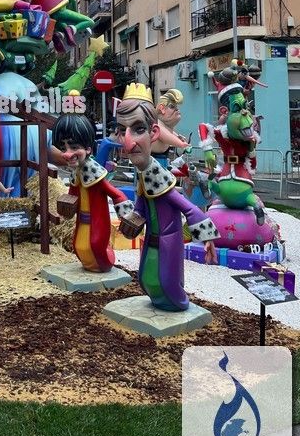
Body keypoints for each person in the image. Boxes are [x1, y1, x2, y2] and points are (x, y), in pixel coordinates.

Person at [115, 83, 219, 312]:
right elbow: (143, 201)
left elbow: (188, 208)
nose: (127, 141)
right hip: (152, 241)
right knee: (147, 277)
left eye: (138, 129)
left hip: (167, 241)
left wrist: (207, 238)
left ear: (153, 133)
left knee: (167, 282)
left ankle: (176, 304)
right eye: (122, 131)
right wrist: (133, 217)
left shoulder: (158, 175)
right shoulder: (145, 174)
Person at [52, 113, 134, 272]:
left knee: (95, 245)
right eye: (63, 148)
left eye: (74, 147)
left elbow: (116, 194)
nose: (67, 153)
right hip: (82, 221)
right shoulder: (76, 172)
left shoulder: (95, 173)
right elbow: (73, 192)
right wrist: (67, 206)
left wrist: (126, 216)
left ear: (88, 149)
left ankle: (103, 265)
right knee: (78, 245)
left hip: (97, 220)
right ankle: (90, 265)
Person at [152, 88, 190, 167]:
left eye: (176, 107)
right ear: (162, 109)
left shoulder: (164, 126)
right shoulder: (157, 125)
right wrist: (181, 144)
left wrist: (178, 137)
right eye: (172, 107)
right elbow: (166, 136)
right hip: (152, 161)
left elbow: (169, 133)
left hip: (161, 159)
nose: (177, 109)